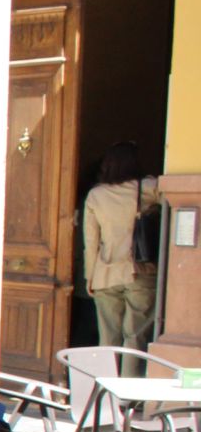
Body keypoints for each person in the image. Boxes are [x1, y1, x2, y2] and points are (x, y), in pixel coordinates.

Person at [82, 141, 160, 350]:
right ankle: (130, 373)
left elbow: (91, 241)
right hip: (139, 271)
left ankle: (107, 373)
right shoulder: (146, 188)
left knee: (108, 338)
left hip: (105, 274)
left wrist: (90, 276)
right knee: (135, 337)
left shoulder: (96, 195)